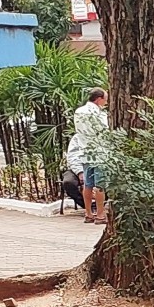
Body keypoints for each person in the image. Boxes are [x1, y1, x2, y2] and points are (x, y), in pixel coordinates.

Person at [67, 87, 108, 223]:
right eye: (105, 99)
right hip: (99, 152)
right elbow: (104, 130)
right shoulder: (98, 114)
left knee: (88, 185)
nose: (105, 102)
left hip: (84, 152)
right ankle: (100, 215)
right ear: (98, 99)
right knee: (100, 185)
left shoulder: (78, 112)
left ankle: (88, 213)